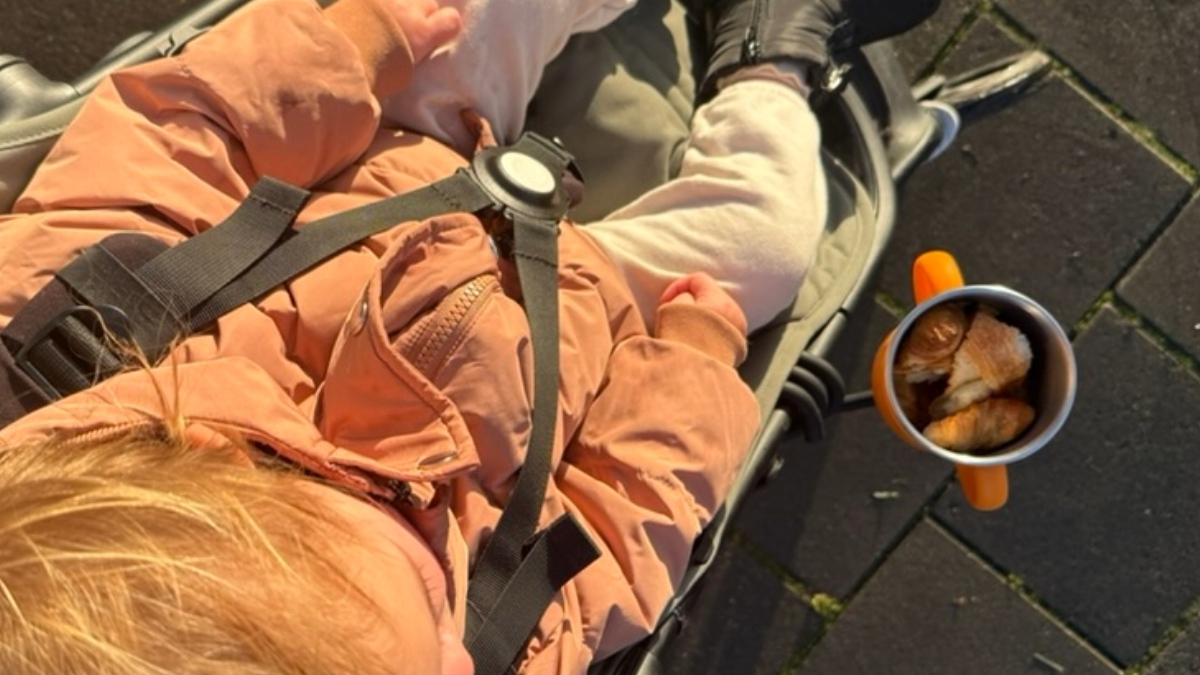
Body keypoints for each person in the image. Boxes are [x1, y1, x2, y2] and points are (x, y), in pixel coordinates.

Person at [0, 1, 937, 674]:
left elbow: (178, 133)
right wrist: (690, 359)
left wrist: (352, 48)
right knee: (769, 240)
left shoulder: (57, 352)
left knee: (469, 12)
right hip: (588, 314)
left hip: (389, 167)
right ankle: (772, 53)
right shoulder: (477, 637)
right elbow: (625, 525)